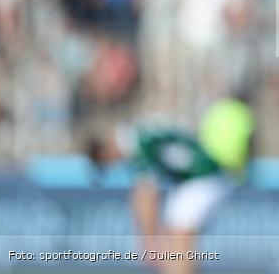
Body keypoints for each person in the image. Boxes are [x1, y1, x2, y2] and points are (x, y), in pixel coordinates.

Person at [88, 111, 250, 274]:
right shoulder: (137, 134)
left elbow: (146, 195)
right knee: (173, 237)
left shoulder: (137, 143)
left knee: (180, 235)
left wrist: (149, 240)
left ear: (105, 151)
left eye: (107, 162)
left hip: (203, 176)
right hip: (192, 179)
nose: (113, 165)